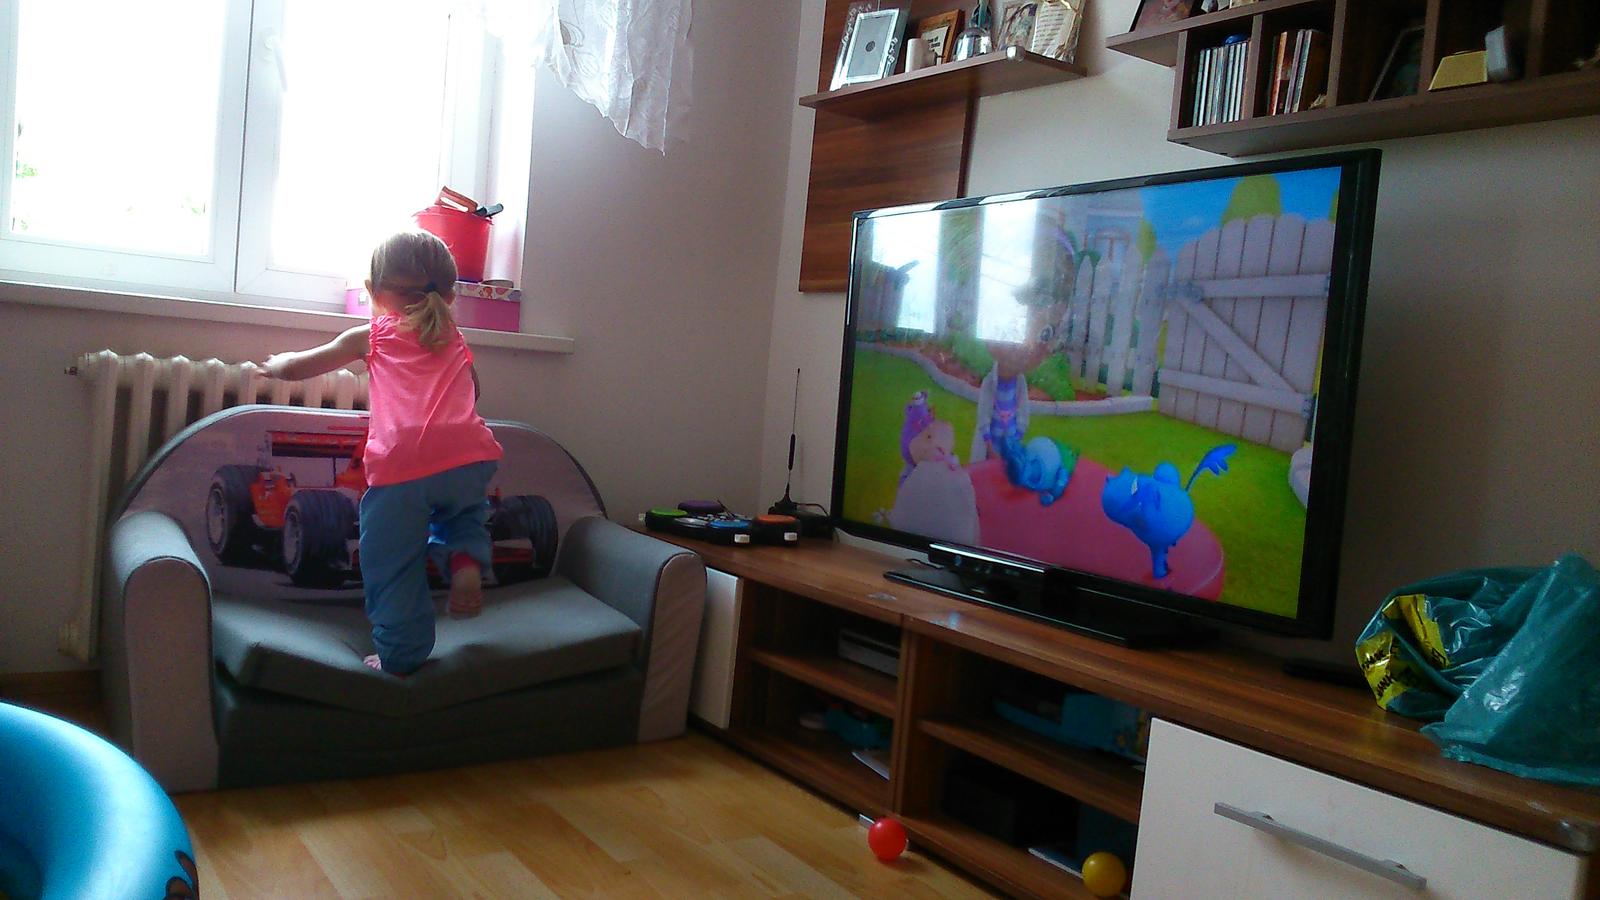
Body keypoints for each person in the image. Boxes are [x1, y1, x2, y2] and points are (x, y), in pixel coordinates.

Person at [260, 231, 503, 675]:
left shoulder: (371, 334)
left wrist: (274, 366)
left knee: (391, 561)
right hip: (471, 454)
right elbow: (473, 390)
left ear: (373, 291)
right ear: (450, 296)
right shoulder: (453, 336)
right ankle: (465, 560)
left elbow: (301, 366)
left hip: (404, 461)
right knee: (462, 515)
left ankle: (401, 653)